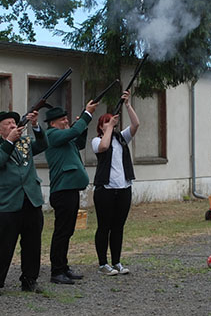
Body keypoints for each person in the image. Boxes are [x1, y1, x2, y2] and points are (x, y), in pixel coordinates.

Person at [0, 109, 47, 295]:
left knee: (32, 244)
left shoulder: (26, 143)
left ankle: (29, 280)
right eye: (8, 124)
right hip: (9, 202)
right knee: (4, 244)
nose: (13, 125)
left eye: (14, 122)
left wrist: (35, 125)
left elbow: (43, 144)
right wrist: (10, 140)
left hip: (31, 199)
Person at [43, 99, 99, 285]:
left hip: (70, 190)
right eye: (62, 120)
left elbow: (79, 142)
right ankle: (56, 271)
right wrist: (87, 115)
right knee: (61, 231)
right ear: (52, 123)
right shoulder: (51, 135)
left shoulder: (63, 137)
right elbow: (73, 132)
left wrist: (82, 127)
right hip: (62, 191)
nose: (66, 122)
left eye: (66, 119)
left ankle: (63, 266)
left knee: (67, 231)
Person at [91, 90, 140, 276]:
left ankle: (117, 262)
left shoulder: (121, 138)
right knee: (104, 226)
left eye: (112, 121)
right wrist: (109, 127)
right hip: (105, 190)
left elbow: (136, 124)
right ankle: (103, 263)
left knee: (118, 227)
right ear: (101, 127)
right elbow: (104, 146)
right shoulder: (96, 140)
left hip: (124, 188)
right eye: (106, 122)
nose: (110, 123)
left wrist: (127, 105)